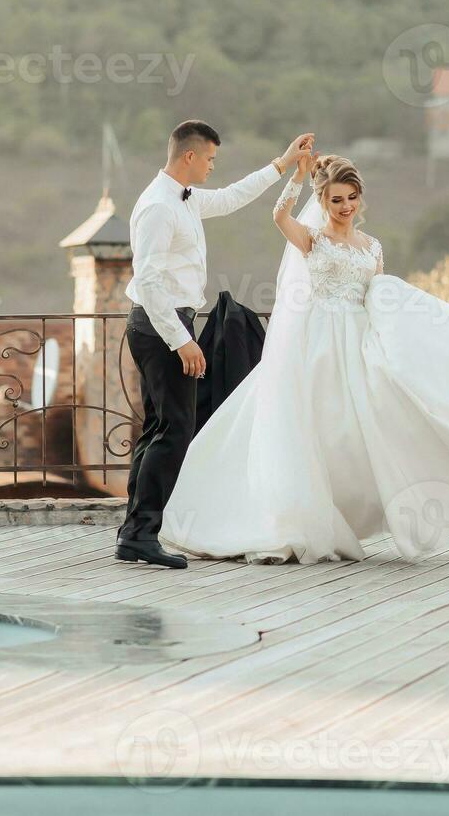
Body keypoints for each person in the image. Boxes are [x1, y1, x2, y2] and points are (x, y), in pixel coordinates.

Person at [160, 152, 449, 564]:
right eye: (336, 199)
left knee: (360, 433)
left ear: (360, 198)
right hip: (316, 344)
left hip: (358, 343)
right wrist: (298, 176)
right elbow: (279, 215)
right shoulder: (312, 239)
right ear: (324, 201)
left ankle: (344, 515)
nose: (346, 207)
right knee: (313, 431)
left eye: (352, 197)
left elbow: (377, 299)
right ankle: (299, 521)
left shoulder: (371, 247)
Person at [118, 120, 315, 569]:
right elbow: (147, 281)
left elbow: (230, 199)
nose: (212, 167)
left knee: (159, 430)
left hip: (165, 325)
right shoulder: (157, 207)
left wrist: (282, 165)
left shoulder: (183, 200)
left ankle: (135, 531)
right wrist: (182, 341)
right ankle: (140, 534)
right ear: (189, 156)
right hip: (160, 326)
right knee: (175, 431)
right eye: (209, 159)